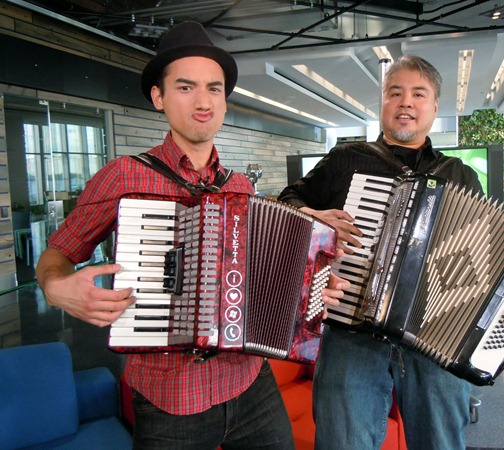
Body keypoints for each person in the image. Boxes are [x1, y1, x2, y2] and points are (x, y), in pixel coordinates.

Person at [36, 21, 347, 450]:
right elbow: (57, 254)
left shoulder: (241, 187)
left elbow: (261, 280)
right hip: (170, 401)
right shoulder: (123, 177)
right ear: (158, 97)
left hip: (251, 383)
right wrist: (56, 289)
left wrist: (310, 289)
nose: (203, 102)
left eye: (214, 88)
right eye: (185, 88)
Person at [278, 54, 504, 450]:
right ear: (383, 104)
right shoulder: (346, 161)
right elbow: (287, 201)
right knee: (344, 442)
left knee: (442, 442)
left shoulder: (459, 175)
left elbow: (494, 261)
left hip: (436, 338)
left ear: (434, 107)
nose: (406, 102)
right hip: (351, 334)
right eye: (395, 93)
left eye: (418, 94)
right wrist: (312, 214)